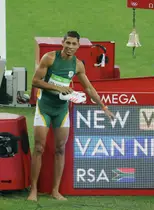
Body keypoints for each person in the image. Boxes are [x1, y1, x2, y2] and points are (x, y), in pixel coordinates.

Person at [27, 31, 114, 201]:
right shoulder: (49, 58)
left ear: (78, 46)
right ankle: (34, 190)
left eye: (74, 44)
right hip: (44, 107)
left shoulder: (78, 65)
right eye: (68, 43)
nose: (70, 47)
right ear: (63, 42)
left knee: (60, 149)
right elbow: (35, 81)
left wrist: (103, 107)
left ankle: (55, 190)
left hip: (61, 110)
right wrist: (57, 88)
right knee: (39, 148)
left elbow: (88, 88)